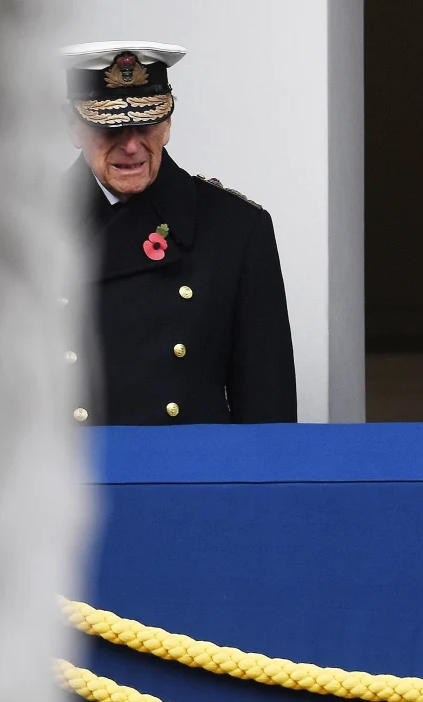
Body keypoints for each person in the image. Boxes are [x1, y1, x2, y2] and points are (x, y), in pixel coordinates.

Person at [62, 41, 297, 425]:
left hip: (188, 474)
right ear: (73, 126)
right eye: (110, 128)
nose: (132, 146)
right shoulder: (29, 230)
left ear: (168, 122)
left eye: (146, 123)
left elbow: (266, 405)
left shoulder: (236, 229)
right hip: (70, 477)